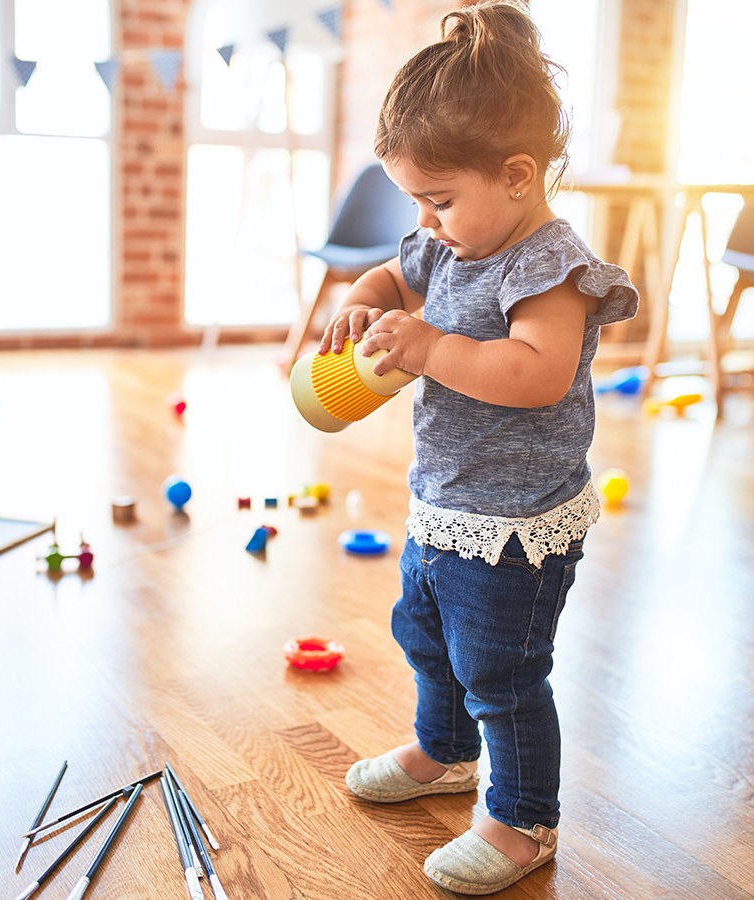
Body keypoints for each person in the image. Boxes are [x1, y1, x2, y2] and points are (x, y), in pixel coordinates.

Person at [317, 1, 638, 895]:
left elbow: (536, 372)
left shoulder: (550, 266)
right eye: (416, 200)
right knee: (424, 633)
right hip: (448, 502)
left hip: (518, 525)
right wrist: (364, 292)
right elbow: (394, 270)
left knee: (501, 669)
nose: (425, 220)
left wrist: (429, 349)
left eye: (439, 199)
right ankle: (447, 749)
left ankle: (522, 816)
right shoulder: (451, 240)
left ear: (520, 174)